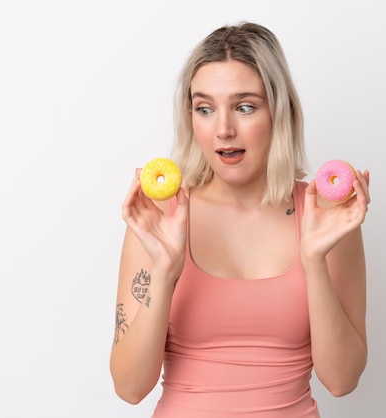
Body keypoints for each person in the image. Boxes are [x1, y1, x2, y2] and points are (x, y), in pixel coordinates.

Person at [110, 21, 371, 417]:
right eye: (204, 108)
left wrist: (314, 262)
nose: (224, 129)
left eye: (245, 106)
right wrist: (165, 270)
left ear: (279, 111)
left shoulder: (325, 216)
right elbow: (129, 388)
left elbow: (342, 380)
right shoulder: (159, 218)